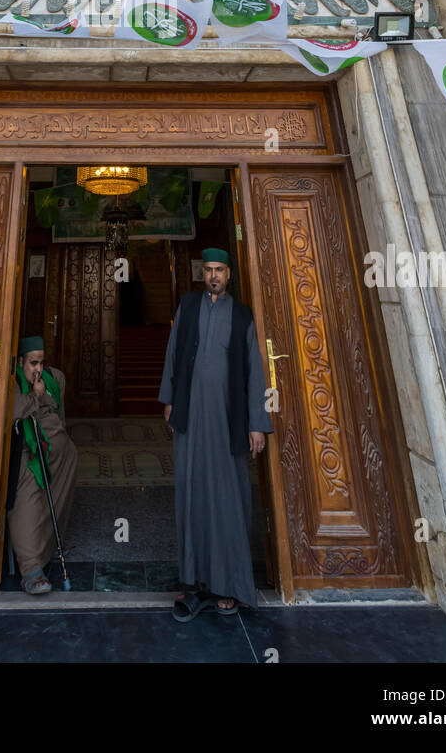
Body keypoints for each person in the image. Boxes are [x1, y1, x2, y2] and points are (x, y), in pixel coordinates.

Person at [159, 248, 272, 619]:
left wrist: (257, 422)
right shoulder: (188, 306)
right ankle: (193, 585)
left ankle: (228, 586)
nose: (213, 275)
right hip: (191, 418)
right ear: (202, 272)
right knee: (191, 496)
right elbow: (173, 353)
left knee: (227, 499)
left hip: (227, 423)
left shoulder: (241, 316)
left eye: (219, 270)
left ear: (229, 274)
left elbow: (255, 371)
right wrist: (170, 400)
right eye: (207, 269)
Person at [6, 335, 78, 595]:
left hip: (57, 454)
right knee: (27, 498)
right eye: (32, 363)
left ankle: (48, 549)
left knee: (64, 471)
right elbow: (10, 409)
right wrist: (36, 398)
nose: (37, 369)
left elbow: (59, 414)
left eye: (41, 363)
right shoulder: (10, 381)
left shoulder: (52, 378)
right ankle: (31, 569)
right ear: (21, 361)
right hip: (26, 453)